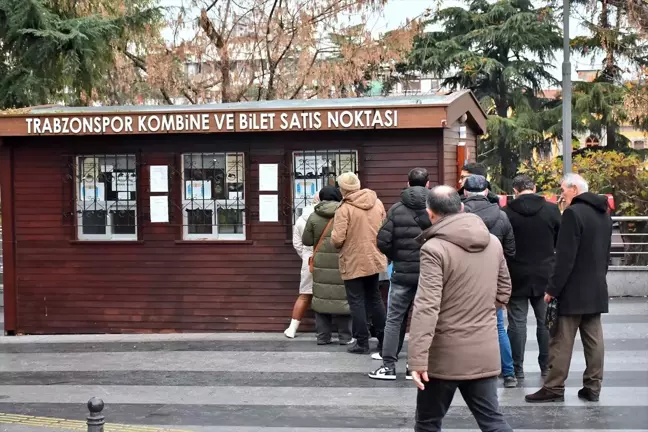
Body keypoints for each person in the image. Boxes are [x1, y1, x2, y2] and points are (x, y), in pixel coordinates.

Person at [408, 185, 513, 432]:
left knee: (427, 424)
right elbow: (504, 291)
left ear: (430, 213)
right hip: (484, 349)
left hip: (444, 354)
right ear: (462, 207)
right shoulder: (494, 243)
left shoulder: (434, 249)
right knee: (493, 421)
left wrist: (417, 359)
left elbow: (427, 306)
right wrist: (480, 310)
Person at [526, 173, 613, 403]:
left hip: (572, 290)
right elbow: (605, 253)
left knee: (560, 340)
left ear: (574, 188)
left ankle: (553, 388)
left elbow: (564, 257)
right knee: (594, 340)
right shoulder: (604, 212)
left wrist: (552, 289)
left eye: (563, 189)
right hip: (595, 287)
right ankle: (593, 387)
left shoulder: (573, 213)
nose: (561, 193)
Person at [370, 168, 432, 380]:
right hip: (429, 275)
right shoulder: (436, 209)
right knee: (422, 320)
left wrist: (397, 256)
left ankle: (388, 366)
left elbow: (382, 241)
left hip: (402, 273)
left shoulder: (396, 209)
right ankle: (413, 367)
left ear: (407, 183)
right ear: (428, 184)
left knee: (394, 319)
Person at [503, 175, 561, 379]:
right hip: (546, 274)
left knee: (516, 322)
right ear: (535, 187)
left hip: (516, 273)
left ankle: (516, 368)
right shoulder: (552, 210)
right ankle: (546, 366)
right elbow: (559, 241)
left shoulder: (507, 212)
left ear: (515, 190)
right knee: (545, 322)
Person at [462, 174, 517, 388]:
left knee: (462, 326)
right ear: (486, 192)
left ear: (465, 192)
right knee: (498, 327)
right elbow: (511, 250)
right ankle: (509, 373)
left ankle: (467, 372)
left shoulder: (457, 215)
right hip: (491, 281)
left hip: (462, 280)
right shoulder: (501, 216)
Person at [331, 172, 388, 354]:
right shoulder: (376, 202)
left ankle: (362, 342)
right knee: (375, 297)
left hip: (353, 259)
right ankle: (383, 339)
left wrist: (334, 241)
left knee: (356, 301)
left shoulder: (344, 209)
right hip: (375, 257)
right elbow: (384, 226)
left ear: (342, 189)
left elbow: (337, 239)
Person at [302, 186, 353, 345]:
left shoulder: (313, 216)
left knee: (321, 298)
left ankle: (323, 337)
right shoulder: (346, 213)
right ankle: (345, 337)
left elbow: (307, 241)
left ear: (321, 198)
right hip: (342, 261)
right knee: (344, 298)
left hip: (321, 264)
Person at [285, 194, 320, 338]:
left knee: (305, 294)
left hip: (309, 260)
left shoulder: (301, 219)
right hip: (330, 260)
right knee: (331, 294)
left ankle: (292, 328)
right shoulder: (333, 216)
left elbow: (297, 244)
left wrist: (306, 255)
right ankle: (327, 331)